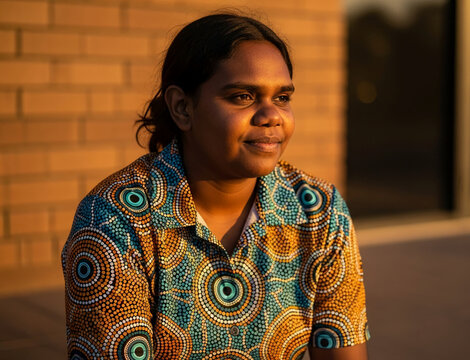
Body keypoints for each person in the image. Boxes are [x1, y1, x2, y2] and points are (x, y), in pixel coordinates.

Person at [61, 13, 369, 360]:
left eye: (282, 97)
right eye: (242, 96)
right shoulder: (114, 219)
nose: (271, 115)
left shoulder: (318, 209)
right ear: (182, 107)